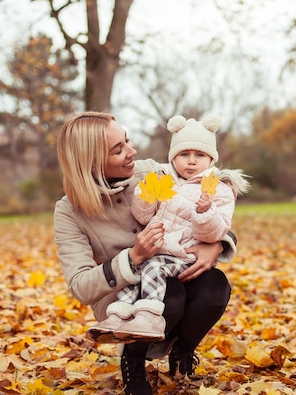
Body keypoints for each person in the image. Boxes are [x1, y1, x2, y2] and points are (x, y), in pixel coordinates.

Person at [54, 111, 237, 395]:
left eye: (127, 141)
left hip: (174, 265)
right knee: (169, 297)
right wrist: (132, 257)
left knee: (216, 287)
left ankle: (183, 351)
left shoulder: (153, 172)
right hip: (122, 293)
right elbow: (80, 286)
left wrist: (217, 244)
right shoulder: (69, 211)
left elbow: (212, 204)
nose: (133, 151)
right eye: (119, 150)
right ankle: (133, 360)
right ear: (90, 161)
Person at [87, 115, 250, 345]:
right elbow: (143, 216)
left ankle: (148, 317)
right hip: (159, 250)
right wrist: (146, 196)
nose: (191, 162)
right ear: (174, 157)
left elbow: (215, 232)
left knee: (152, 267)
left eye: (199, 155)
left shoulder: (218, 189)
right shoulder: (165, 179)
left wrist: (205, 212)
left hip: (185, 254)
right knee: (136, 273)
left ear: (211, 159)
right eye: (184, 155)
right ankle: (116, 317)